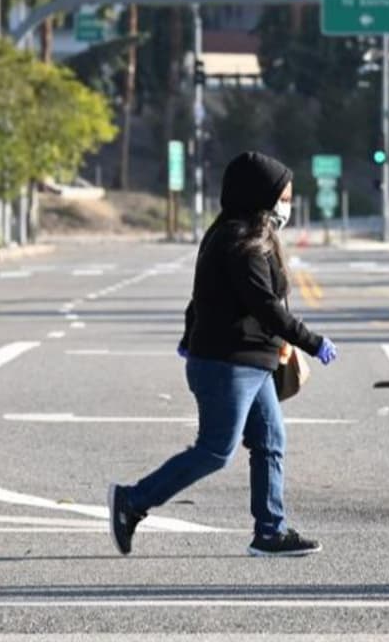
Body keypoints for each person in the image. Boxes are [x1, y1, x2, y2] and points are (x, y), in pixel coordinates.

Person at [109, 151, 338, 558]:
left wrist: (190, 336)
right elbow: (266, 307)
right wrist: (312, 341)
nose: (286, 205)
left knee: (271, 441)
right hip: (228, 365)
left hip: (250, 363)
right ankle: (132, 501)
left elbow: (200, 302)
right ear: (260, 196)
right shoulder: (241, 243)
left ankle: (270, 530)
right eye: (282, 196)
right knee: (215, 451)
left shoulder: (245, 237)